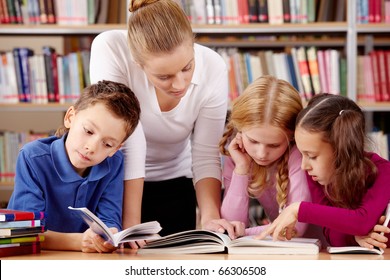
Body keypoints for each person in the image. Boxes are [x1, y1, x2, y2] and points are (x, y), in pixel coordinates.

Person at [89, 0, 230, 239]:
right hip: (113, 185)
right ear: (137, 62)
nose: (179, 84)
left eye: (187, 67)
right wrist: (132, 227)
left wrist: (210, 218)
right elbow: (128, 137)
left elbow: (206, 153)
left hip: (175, 183)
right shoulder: (110, 48)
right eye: (164, 76)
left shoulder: (213, 66)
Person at [7, 80, 141, 253]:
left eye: (107, 144)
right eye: (88, 131)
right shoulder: (32, 157)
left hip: (85, 262)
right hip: (35, 259)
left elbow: (110, 221)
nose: (91, 148)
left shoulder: (114, 163)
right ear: (70, 117)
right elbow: (24, 233)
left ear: (115, 149)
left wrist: (109, 237)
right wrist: (78, 242)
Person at [257, 93, 390, 249]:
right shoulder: (315, 176)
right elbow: (333, 238)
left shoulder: (383, 171)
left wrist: (299, 209)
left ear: (341, 150)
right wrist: (355, 237)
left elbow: (361, 222)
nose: (304, 166)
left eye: (311, 156)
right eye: (302, 154)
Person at [219, 75, 324, 241]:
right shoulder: (239, 153)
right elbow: (232, 223)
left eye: (274, 145)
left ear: (291, 138)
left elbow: (295, 226)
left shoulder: (299, 155)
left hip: (321, 249)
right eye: (253, 141)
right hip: (285, 248)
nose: (261, 153)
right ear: (240, 129)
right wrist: (241, 169)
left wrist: (242, 233)